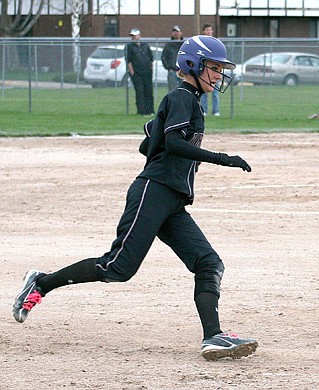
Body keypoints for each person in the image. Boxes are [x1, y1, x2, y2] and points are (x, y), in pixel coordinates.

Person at [12, 35, 259, 360]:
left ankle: (213, 336)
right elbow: (172, 144)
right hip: (153, 192)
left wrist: (155, 127)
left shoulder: (187, 101)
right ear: (192, 66)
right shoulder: (182, 96)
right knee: (117, 267)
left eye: (219, 68)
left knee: (208, 263)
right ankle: (41, 283)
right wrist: (222, 158)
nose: (218, 74)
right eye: (212, 67)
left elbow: (150, 144)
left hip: (171, 200)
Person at [126, 28, 155, 116]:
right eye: (132, 36)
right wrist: (133, 73)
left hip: (147, 73)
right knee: (140, 92)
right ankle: (141, 111)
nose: (134, 38)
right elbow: (129, 61)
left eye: (135, 36)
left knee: (149, 92)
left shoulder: (145, 45)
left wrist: (151, 70)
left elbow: (151, 59)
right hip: (137, 73)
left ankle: (150, 110)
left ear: (139, 36)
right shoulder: (129, 47)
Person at [200, 24, 220, 117]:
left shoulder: (216, 43)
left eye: (210, 30)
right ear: (204, 31)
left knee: (215, 92)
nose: (209, 32)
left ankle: (216, 111)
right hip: (205, 70)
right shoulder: (201, 42)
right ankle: (204, 110)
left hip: (215, 70)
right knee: (203, 92)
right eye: (207, 30)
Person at [161, 25, 184, 91]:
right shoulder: (168, 45)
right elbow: (164, 57)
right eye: (174, 31)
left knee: (184, 91)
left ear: (181, 33)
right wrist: (169, 67)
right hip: (172, 71)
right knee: (172, 91)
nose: (176, 33)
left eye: (177, 31)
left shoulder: (185, 44)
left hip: (183, 72)